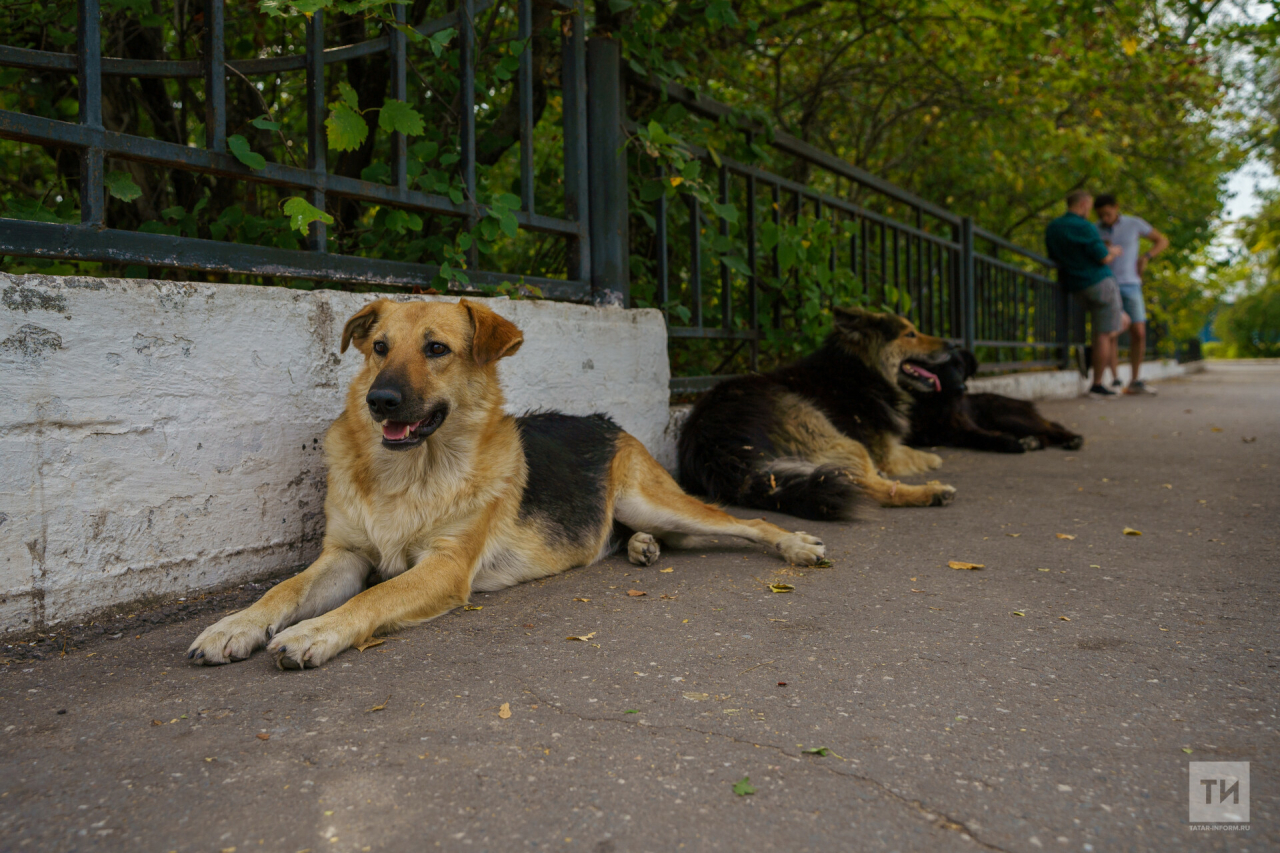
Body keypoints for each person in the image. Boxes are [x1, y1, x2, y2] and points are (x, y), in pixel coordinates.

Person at [1045, 189, 1126, 397]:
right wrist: (1113, 252)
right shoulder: (1085, 227)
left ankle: (1092, 353)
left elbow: (1054, 256)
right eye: (1089, 208)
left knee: (1118, 323)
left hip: (1075, 286)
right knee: (1104, 334)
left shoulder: (1053, 228)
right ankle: (1097, 383)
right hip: (1100, 283)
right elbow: (1102, 258)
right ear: (1083, 204)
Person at [1094, 193, 1169, 394]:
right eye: (1101, 215)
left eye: (1108, 214)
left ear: (1116, 207)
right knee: (1111, 331)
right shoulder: (1095, 230)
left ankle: (1135, 379)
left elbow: (1162, 240)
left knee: (1139, 331)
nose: (1105, 218)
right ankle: (1115, 378)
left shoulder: (1134, 223)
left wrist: (1146, 257)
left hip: (1131, 284)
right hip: (1107, 284)